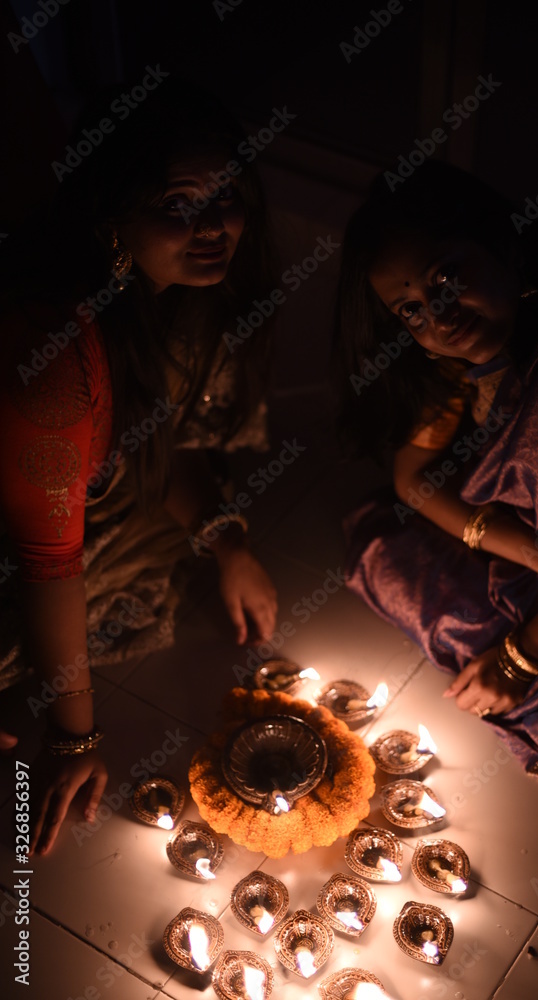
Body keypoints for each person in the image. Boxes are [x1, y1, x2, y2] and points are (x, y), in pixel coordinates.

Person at [337, 162, 538, 838]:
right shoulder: (465, 356)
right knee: (384, 551)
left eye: (446, 279)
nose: (438, 315)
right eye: (411, 311)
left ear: (507, 248)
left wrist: (519, 659)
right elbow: (412, 480)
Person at [0, 79, 279, 854]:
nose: (213, 225)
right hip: (26, 534)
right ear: (110, 213)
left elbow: (167, 450)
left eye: (225, 195)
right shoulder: (52, 350)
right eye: (176, 204)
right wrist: (73, 740)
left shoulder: (176, 300)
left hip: (69, 514)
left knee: (172, 568)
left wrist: (230, 543)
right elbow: (47, 561)